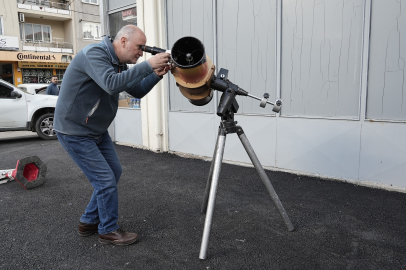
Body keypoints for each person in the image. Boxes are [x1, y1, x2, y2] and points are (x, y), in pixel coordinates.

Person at [54, 25, 171, 246]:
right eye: (139, 47)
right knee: (105, 180)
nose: (142, 52)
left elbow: (135, 90)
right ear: (124, 41)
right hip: (75, 130)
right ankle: (107, 229)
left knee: (113, 172)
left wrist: (155, 74)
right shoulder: (94, 54)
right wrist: (148, 64)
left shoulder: (118, 64)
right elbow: (110, 84)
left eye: (144, 50)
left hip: (96, 130)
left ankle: (88, 221)